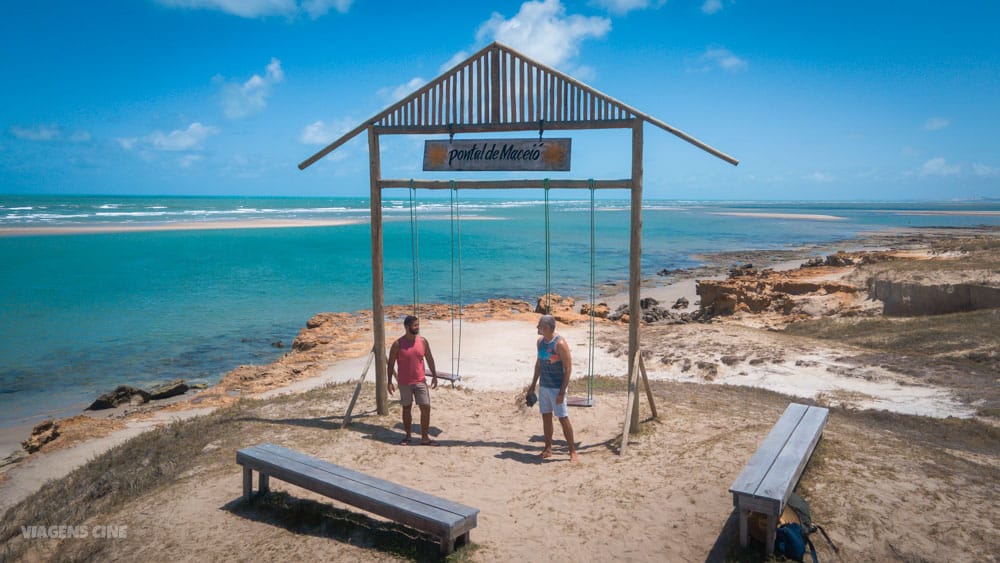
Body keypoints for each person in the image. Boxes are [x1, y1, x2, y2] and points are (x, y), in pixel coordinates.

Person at [527, 314, 579, 462]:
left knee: (563, 418)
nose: (537, 328)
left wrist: (562, 391)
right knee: (546, 417)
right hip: (544, 386)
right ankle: (547, 448)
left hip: (557, 387)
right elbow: (538, 365)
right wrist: (532, 386)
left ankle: (572, 451)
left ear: (547, 328)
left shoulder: (560, 344)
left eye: (540, 326)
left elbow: (568, 368)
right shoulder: (540, 342)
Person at [387, 315, 439, 445]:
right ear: (406, 327)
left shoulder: (423, 341)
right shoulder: (397, 344)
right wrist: (389, 381)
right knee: (406, 409)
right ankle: (408, 436)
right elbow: (391, 364)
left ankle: (425, 438)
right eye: (415, 325)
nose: (417, 327)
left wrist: (434, 375)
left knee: (426, 407)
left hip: (420, 381)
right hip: (404, 383)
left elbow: (430, 358)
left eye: (418, 325)